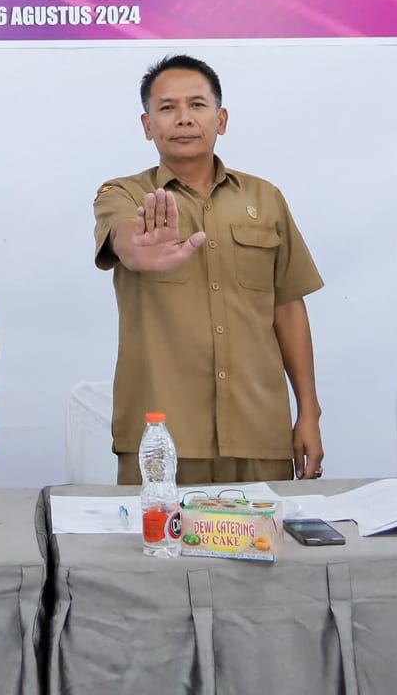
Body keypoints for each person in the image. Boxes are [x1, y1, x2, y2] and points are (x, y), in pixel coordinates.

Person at [93, 54, 324, 484]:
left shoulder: (266, 198)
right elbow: (123, 234)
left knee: (265, 548)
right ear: (147, 125)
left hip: (261, 434)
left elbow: (288, 307)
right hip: (162, 439)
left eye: (197, 106)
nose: (183, 119)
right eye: (167, 108)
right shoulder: (124, 194)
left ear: (221, 119)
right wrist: (137, 250)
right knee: (161, 549)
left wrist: (308, 411)